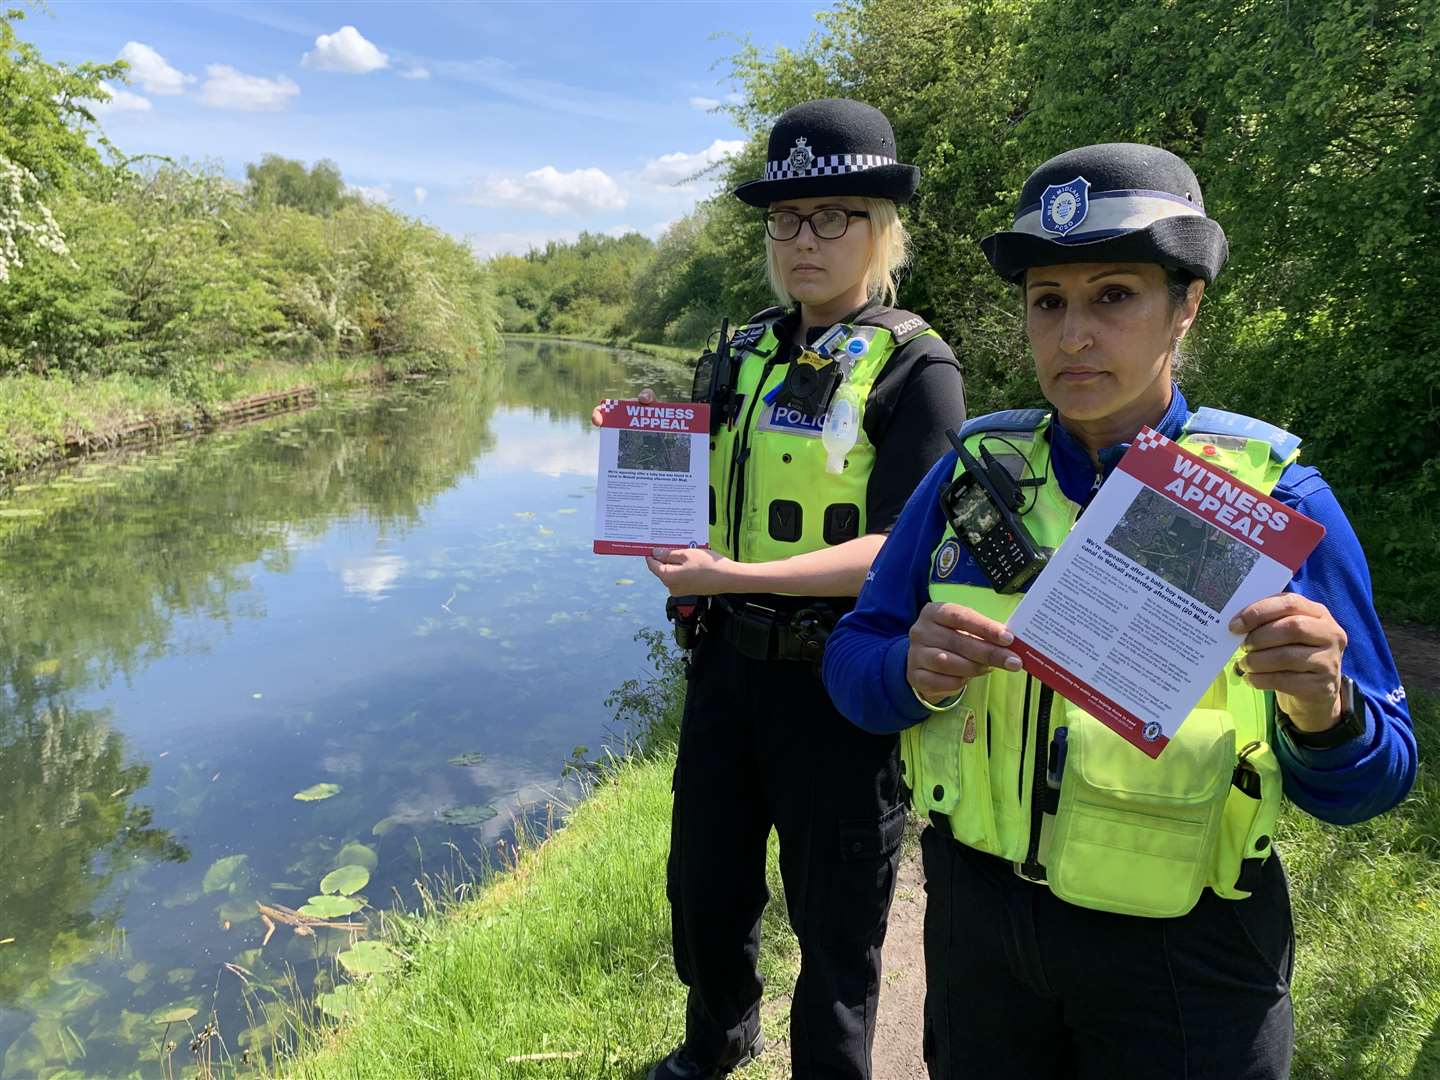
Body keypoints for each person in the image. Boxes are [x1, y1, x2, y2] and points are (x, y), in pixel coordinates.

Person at [822, 142, 1417, 1078]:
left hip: (1186, 951)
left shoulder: (1278, 502)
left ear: (1187, 305)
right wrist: (905, 670)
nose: (1073, 336)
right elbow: (853, 666)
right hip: (982, 933)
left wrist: (1326, 710)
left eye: (1114, 296)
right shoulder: (969, 475)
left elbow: (1372, 782)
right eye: (1047, 302)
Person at [600, 99, 966, 1080]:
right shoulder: (745, 352)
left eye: (834, 215)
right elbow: (685, 478)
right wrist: (639, 474)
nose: (805, 240)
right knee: (704, 889)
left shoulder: (915, 368)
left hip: (841, 685)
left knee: (836, 924)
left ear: (881, 229)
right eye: (786, 220)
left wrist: (733, 573)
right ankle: (715, 1042)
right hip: (726, 667)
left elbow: (902, 554)